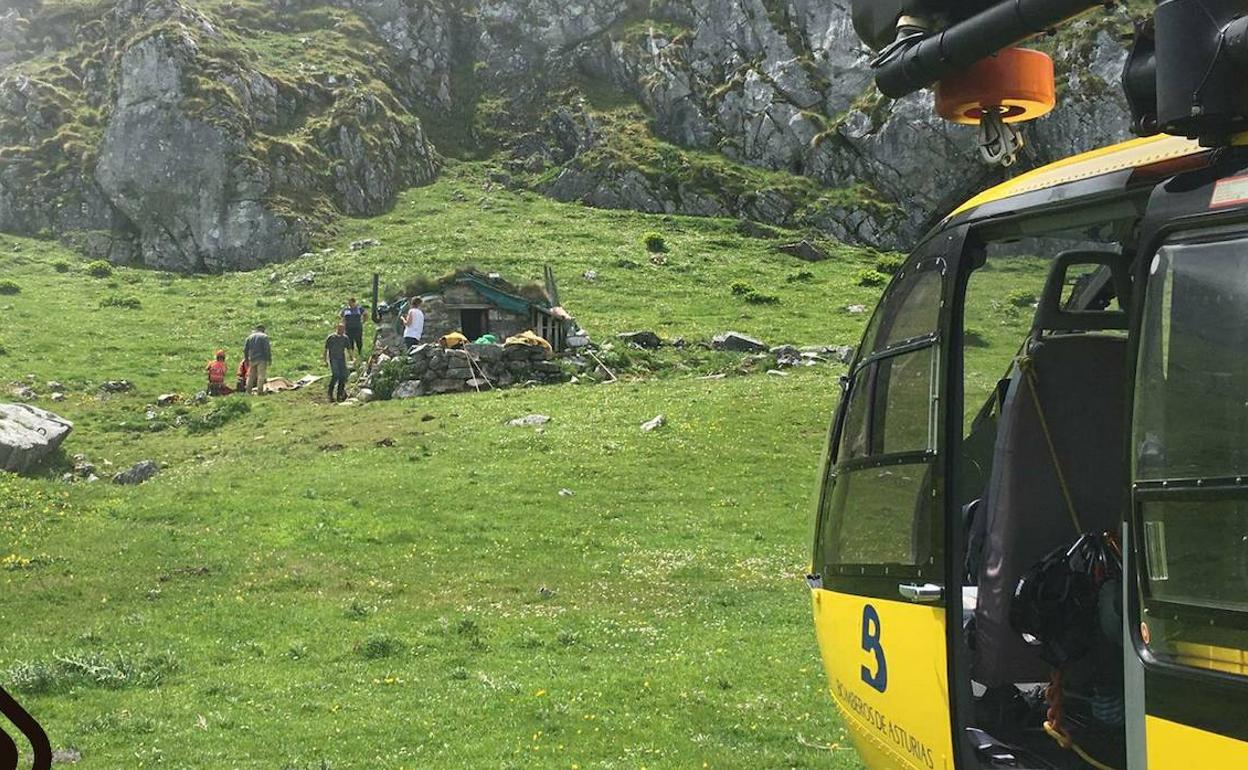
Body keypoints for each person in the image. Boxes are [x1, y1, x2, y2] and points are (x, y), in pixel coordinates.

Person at [324, 322, 354, 403]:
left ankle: (340, 394)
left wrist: (352, 358)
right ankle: (330, 393)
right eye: (340, 329)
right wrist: (325, 360)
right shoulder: (331, 338)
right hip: (333, 359)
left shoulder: (345, 338)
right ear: (337, 328)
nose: (341, 330)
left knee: (343, 376)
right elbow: (326, 350)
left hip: (342, 359)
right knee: (335, 375)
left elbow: (349, 349)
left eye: (343, 329)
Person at [243, 324, 272, 395]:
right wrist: (269, 358)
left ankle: (248, 391)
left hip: (252, 359)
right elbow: (267, 349)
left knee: (251, 376)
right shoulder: (264, 337)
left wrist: (246, 359)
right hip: (262, 359)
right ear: (263, 330)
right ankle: (260, 391)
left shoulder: (249, 337)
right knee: (261, 375)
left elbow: (245, 349)